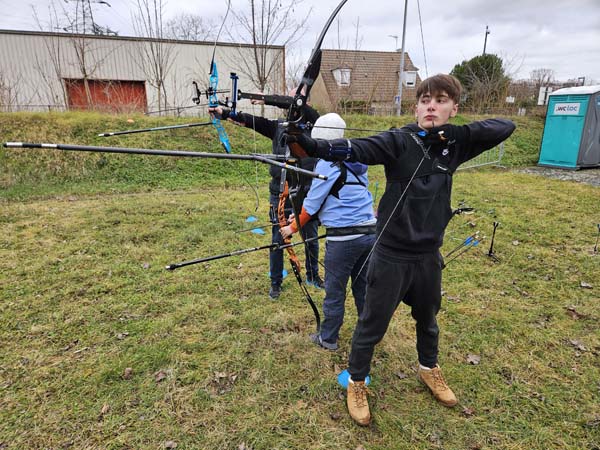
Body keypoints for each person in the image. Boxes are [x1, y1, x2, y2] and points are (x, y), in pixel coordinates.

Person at [285, 74, 516, 425]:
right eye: (425, 100)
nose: (431, 106)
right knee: (371, 325)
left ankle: (428, 368)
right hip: (391, 254)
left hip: (428, 255)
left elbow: (505, 126)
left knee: (428, 320)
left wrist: (449, 134)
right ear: (416, 108)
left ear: (453, 108)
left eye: (440, 100)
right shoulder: (399, 140)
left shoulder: (454, 144)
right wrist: (310, 145)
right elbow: (357, 148)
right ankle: (357, 382)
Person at [280, 113, 376, 351]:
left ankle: (328, 338)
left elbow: (313, 204)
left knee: (335, 290)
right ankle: (369, 335)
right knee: (363, 288)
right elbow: (340, 196)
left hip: (344, 239)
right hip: (369, 233)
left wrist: (291, 228)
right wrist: (301, 216)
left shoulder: (327, 163)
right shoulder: (357, 158)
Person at [208, 102, 323, 300]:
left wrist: (301, 103)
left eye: (297, 102)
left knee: (311, 237)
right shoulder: (278, 126)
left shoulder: (315, 127)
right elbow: (253, 121)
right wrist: (225, 113)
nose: (294, 109)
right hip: (280, 191)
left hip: (306, 191)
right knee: (278, 239)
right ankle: (275, 282)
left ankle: (313, 275)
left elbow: (316, 117)